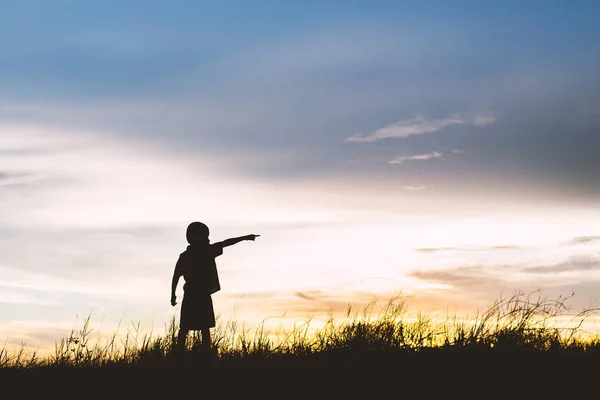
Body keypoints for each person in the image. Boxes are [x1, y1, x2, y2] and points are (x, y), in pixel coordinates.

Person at [170, 221, 259, 354]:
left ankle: (191, 352)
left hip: (197, 295)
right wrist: (172, 294)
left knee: (195, 327)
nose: (208, 239)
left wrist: (244, 237)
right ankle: (186, 352)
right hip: (197, 295)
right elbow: (176, 276)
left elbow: (225, 243)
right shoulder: (199, 253)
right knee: (193, 327)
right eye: (205, 236)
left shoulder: (192, 254)